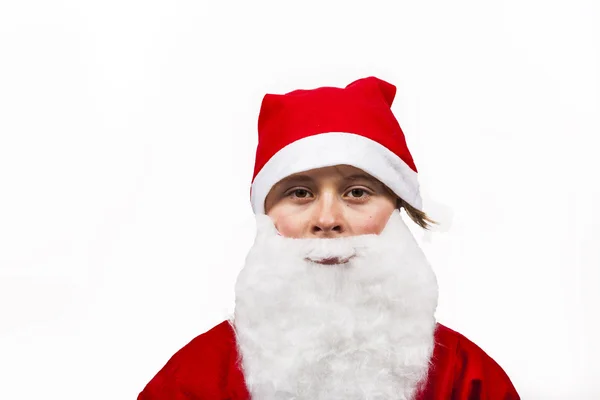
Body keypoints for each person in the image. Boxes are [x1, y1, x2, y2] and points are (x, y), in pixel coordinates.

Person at [137, 76, 520, 399]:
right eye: (299, 193)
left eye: (357, 192)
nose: (326, 219)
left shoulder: (468, 379)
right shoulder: (191, 380)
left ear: (397, 208)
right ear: (267, 215)